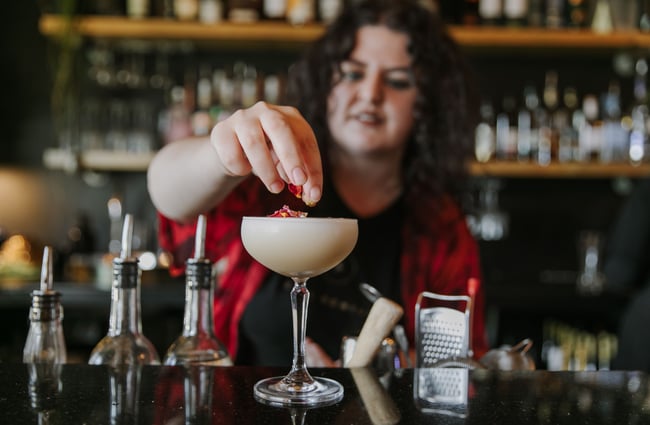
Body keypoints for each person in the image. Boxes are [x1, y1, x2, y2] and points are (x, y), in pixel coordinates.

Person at [147, 0, 489, 367]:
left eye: (398, 81)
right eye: (353, 74)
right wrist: (223, 153)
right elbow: (168, 192)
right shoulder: (268, 182)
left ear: (427, 103)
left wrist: (382, 379)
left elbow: (459, 366)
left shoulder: (441, 228)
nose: (371, 94)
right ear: (326, 81)